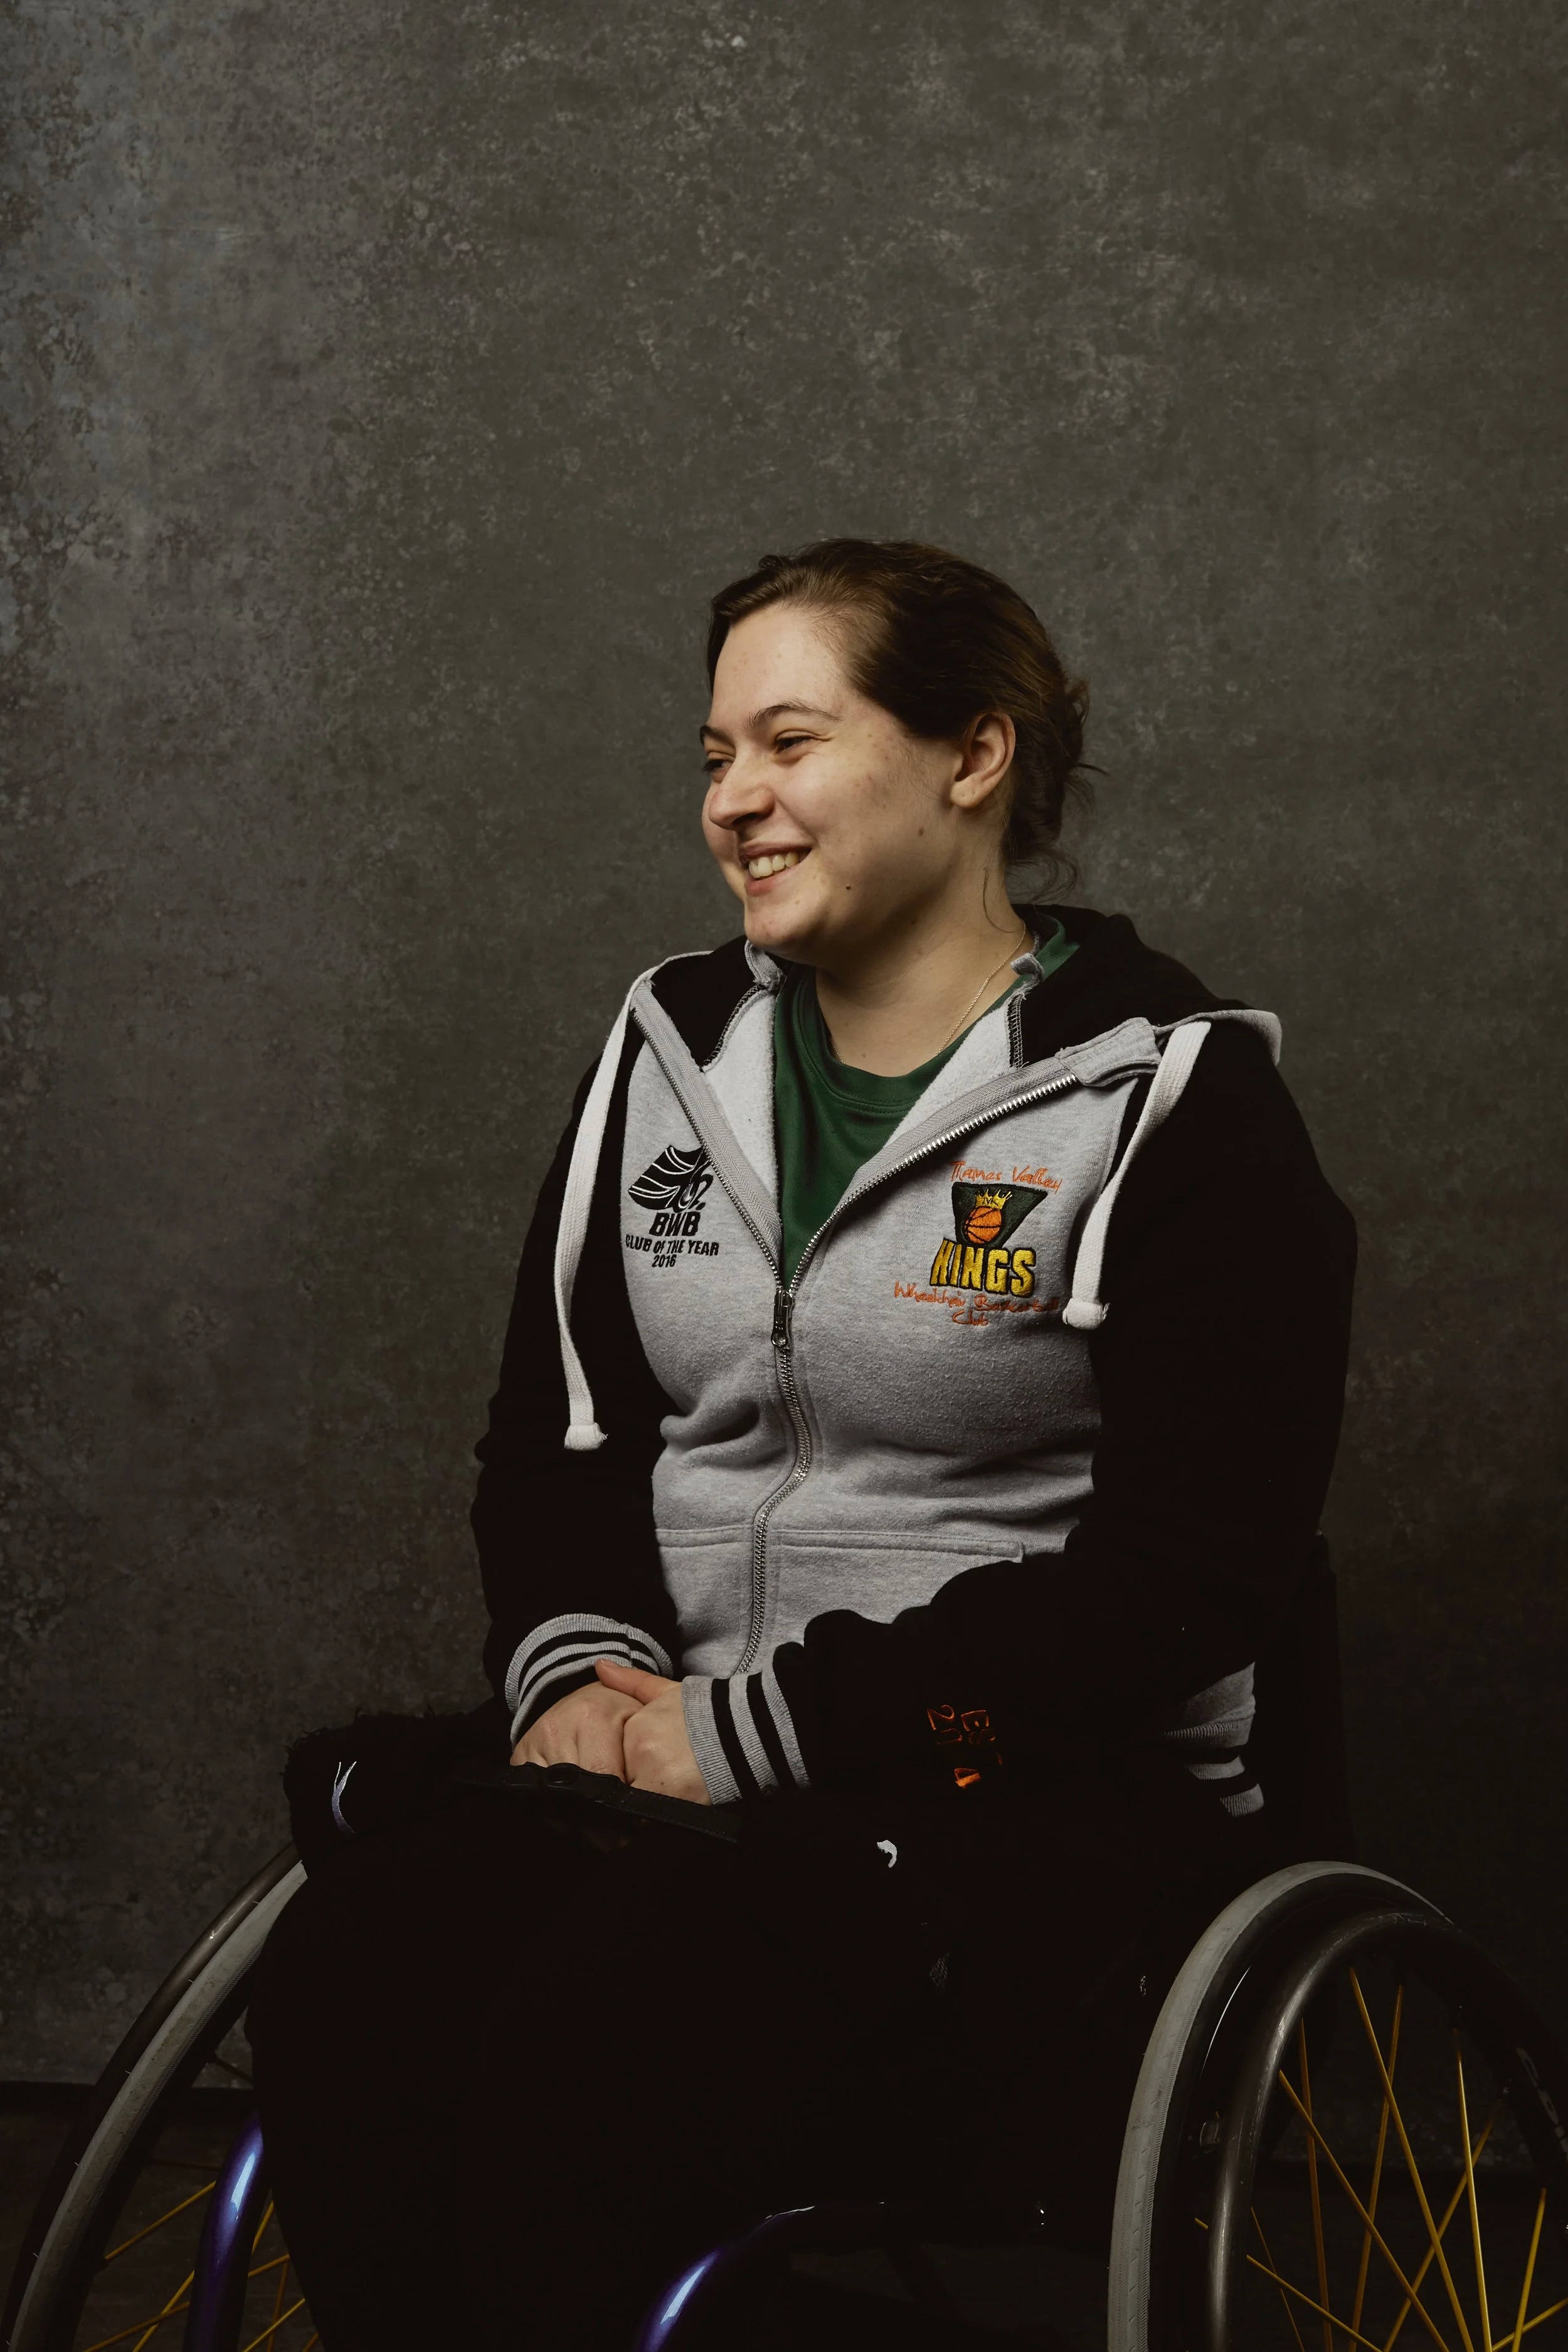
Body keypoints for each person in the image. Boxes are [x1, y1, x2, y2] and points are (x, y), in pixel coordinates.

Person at [248, 540, 1356, 2350]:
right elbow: (559, 1441)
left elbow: (1186, 1581)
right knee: (357, 1966)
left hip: (1007, 1797)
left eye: (786, 740)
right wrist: (584, 1669)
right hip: (667, 1773)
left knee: (597, 2032)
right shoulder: (665, 1046)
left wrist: (756, 1730)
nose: (732, 802)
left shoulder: (1175, 1098)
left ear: (969, 755)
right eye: (711, 756)